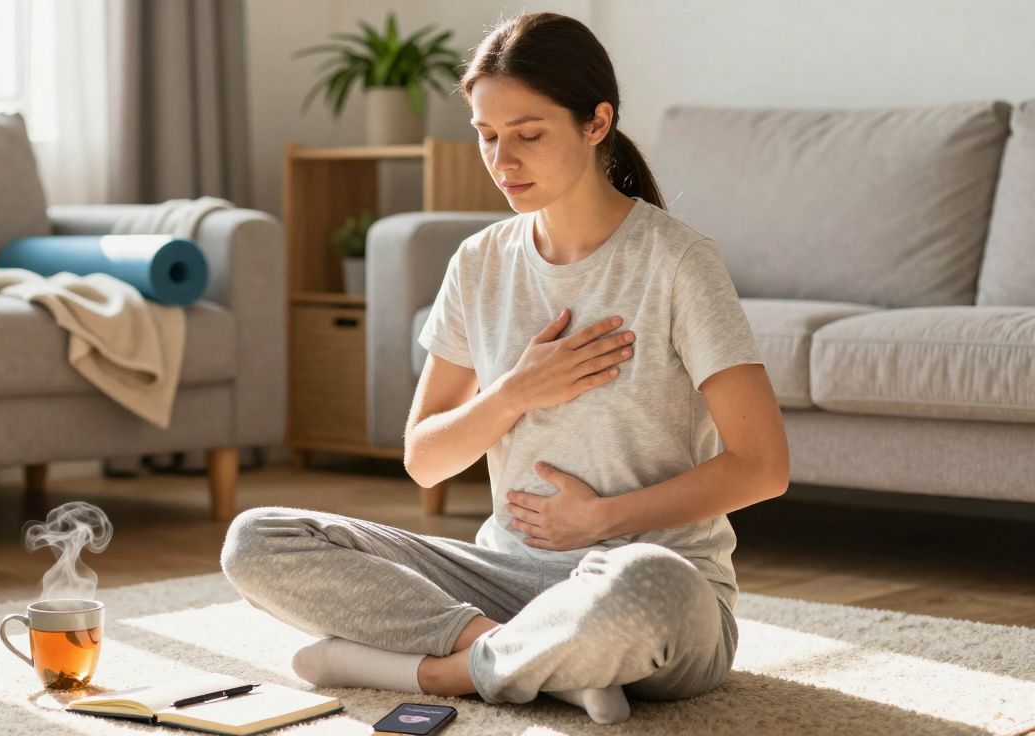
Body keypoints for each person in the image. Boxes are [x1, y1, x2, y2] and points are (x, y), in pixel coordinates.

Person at [219, 10, 789, 725]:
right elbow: (424, 460)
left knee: (647, 586)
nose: (503, 161)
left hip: (653, 586)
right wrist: (515, 392)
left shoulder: (677, 262)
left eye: (528, 134)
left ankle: (439, 670)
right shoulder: (480, 262)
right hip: (503, 579)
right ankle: (518, 656)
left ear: (596, 122)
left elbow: (762, 466)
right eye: (487, 136)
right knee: (258, 539)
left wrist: (602, 519)